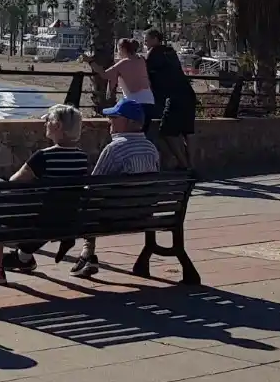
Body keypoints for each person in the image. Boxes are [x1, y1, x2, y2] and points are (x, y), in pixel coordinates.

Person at [0, 104, 91, 281]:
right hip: (66, 222)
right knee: (44, 210)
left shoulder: (43, 157)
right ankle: (24, 258)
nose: (45, 124)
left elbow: (13, 183)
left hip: (37, 223)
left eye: (48, 121)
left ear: (58, 126)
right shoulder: (82, 158)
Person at [75, 100, 161, 276]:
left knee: (86, 201)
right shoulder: (151, 148)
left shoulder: (115, 149)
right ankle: (87, 254)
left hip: (115, 216)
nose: (109, 120)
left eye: (114, 117)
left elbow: (93, 185)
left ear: (128, 122)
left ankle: (87, 254)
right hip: (144, 214)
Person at [143, 28, 197, 169]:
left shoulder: (153, 53)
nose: (145, 42)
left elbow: (146, 73)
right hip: (188, 94)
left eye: (147, 39)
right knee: (188, 132)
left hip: (175, 97)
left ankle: (184, 165)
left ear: (155, 39)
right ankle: (192, 164)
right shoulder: (170, 51)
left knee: (167, 132)